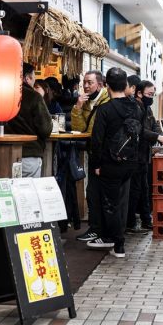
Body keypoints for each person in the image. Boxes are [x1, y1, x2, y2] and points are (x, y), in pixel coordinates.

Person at [89, 67, 142, 257]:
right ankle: (113, 237)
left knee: (110, 204)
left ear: (106, 86)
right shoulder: (135, 107)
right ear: (125, 85)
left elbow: (97, 141)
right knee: (121, 202)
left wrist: (96, 165)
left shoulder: (105, 110)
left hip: (110, 164)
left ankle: (117, 243)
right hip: (130, 163)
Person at [126, 80, 163, 233]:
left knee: (144, 189)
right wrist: (157, 138)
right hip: (134, 156)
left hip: (144, 156)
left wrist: (161, 135)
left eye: (153, 94)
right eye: (149, 94)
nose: (151, 97)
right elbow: (139, 130)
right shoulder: (133, 108)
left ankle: (146, 220)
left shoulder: (147, 108)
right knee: (134, 190)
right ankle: (130, 223)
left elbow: (154, 125)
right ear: (138, 93)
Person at [71, 70, 109, 242]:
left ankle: (104, 231)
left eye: (90, 82)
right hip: (92, 152)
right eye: (84, 82)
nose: (86, 86)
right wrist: (77, 108)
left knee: (102, 193)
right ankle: (95, 229)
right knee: (92, 192)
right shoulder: (84, 101)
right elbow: (79, 128)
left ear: (100, 84)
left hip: (106, 154)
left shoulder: (108, 100)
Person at [5, 63, 52, 178]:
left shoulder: (3, 94)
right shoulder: (34, 97)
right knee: (28, 193)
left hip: (4, 153)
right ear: (27, 78)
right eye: (33, 79)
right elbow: (45, 129)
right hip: (29, 154)